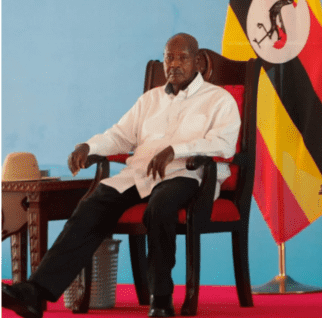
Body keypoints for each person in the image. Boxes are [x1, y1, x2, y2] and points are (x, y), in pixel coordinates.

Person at [2, 33, 241, 318]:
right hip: (141, 173)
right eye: (169, 57)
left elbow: (224, 143)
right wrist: (89, 146)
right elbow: (120, 135)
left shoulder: (219, 100)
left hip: (188, 175)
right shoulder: (150, 100)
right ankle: (34, 293)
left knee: (161, 206)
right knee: (93, 204)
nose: (174, 64)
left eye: (182, 57)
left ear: (199, 62)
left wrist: (175, 150)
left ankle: (161, 298)